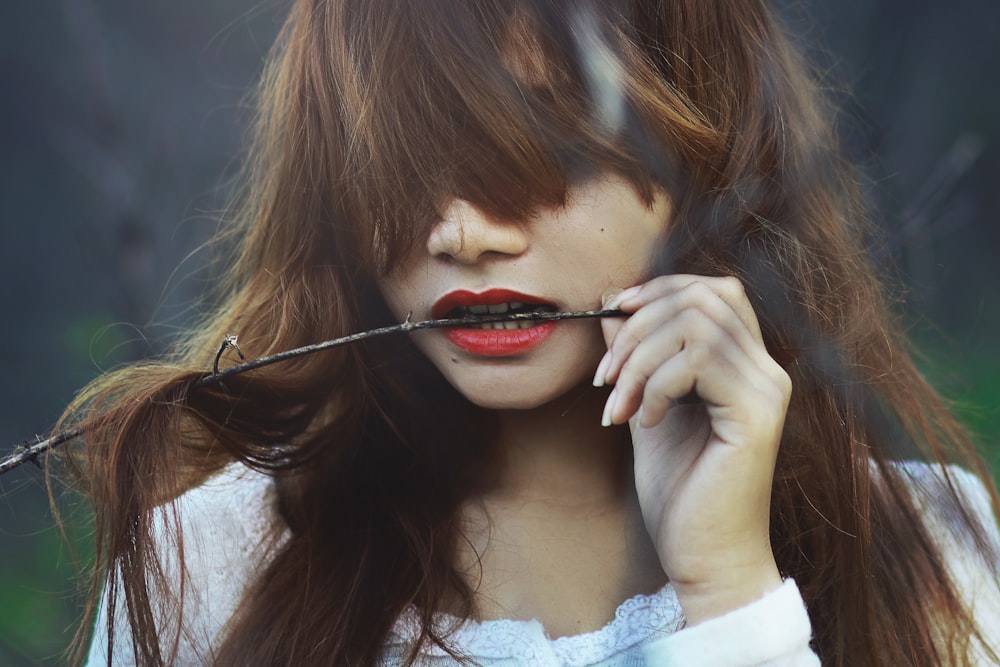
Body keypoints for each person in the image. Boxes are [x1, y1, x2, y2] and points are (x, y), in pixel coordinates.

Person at [62, 0, 1000, 665]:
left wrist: (733, 599)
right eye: (411, 154)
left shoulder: (927, 551)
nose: (466, 232)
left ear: (705, 147)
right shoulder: (207, 572)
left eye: (547, 143)